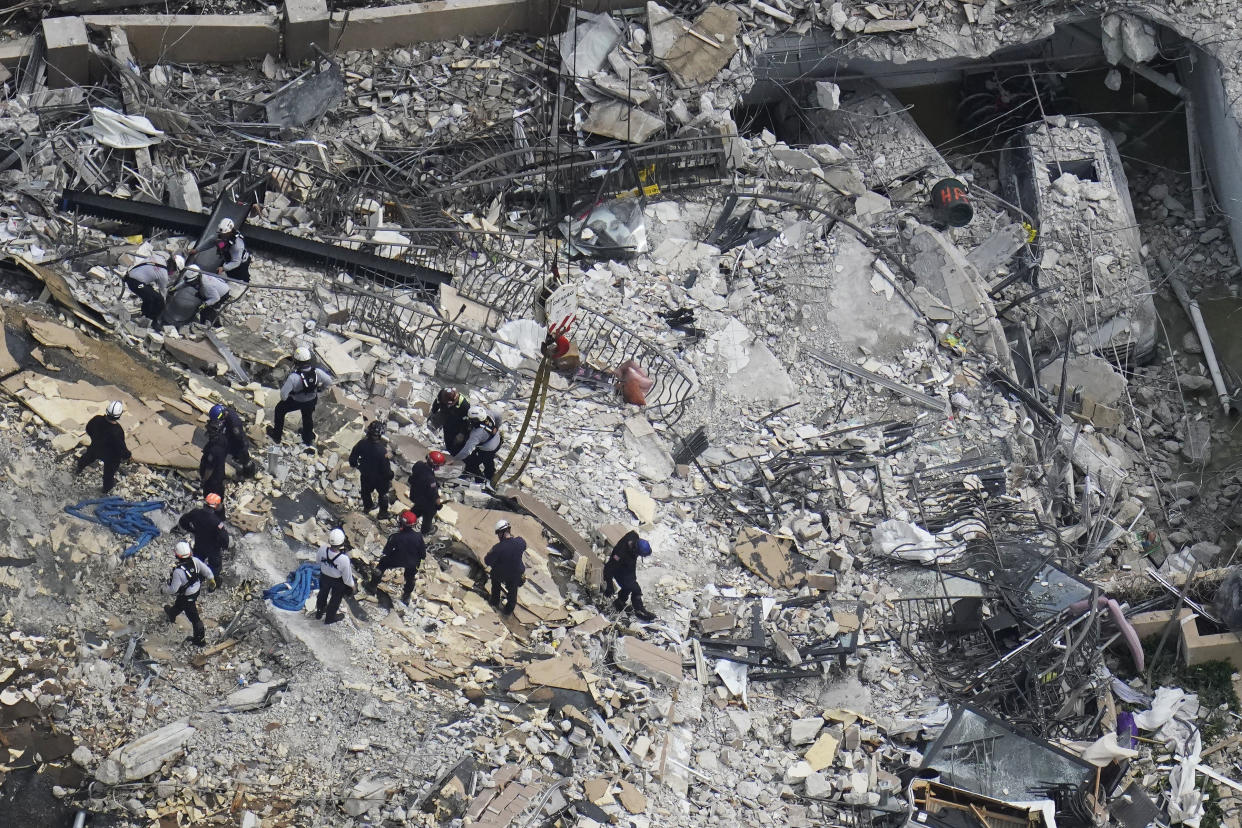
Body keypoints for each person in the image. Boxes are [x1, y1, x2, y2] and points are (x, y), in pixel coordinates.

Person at [268, 346, 332, 450]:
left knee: (279, 410)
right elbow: (329, 381)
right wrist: (320, 389)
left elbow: (283, 396)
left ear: (296, 361)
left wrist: (290, 396)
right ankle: (307, 438)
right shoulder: (317, 372)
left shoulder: (294, 377)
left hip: (296, 400)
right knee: (307, 416)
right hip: (311, 400)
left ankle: (277, 436)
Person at [162, 541, 215, 646]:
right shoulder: (195, 561)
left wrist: (164, 589)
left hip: (187, 596)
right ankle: (172, 613)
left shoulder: (178, 571)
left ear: (177, 555)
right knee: (180, 604)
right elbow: (207, 572)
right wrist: (211, 580)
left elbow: (173, 589)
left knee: (194, 617)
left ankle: (200, 640)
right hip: (196, 590)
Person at [369, 511, 426, 604]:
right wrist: (420, 566)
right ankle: (406, 596)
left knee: (382, 564)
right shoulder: (418, 537)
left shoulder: (395, 537)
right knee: (410, 577)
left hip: (397, 559)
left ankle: (372, 585)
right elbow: (423, 554)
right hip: (413, 562)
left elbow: (386, 552)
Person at [75, 401, 131, 494]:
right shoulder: (117, 431)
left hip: (96, 447)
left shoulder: (97, 419)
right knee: (109, 473)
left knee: (87, 457)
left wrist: (95, 439)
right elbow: (121, 448)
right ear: (119, 416)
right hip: (111, 456)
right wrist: (128, 456)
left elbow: (88, 428)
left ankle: (78, 468)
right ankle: (106, 489)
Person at [602, 531, 656, 621]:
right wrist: (609, 585)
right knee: (636, 589)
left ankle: (619, 602)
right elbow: (608, 568)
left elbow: (632, 534)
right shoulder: (620, 554)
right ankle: (639, 611)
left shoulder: (634, 536)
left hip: (629, 567)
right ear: (635, 550)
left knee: (629, 585)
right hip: (619, 570)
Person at [178, 493, 229, 579]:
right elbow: (223, 537)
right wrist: (224, 546)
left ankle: (196, 579)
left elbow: (183, 521)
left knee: (197, 563)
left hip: (199, 544)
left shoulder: (195, 513)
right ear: (215, 506)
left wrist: (192, 530)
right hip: (213, 548)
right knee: (215, 566)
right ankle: (212, 582)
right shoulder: (216, 522)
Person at [349, 420, 394, 516]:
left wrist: (355, 465)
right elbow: (386, 470)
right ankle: (383, 513)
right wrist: (391, 475)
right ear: (380, 435)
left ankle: (368, 507)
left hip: (365, 474)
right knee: (383, 494)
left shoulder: (362, 443)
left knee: (365, 492)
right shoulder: (382, 451)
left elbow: (353, 457)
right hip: (380, 478)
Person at [188, 217, 251, 283]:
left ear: (228, 233)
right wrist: (196, 250)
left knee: (239, 277)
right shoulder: (222, 236)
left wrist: (224, 268)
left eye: (222, 234)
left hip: (241, 263)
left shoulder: (237, 246)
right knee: (220, 245)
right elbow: (211, 242)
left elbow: (236, 262)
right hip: (228, 257)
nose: (220, 235)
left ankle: (247, 283)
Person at [484, 519, 526, 617]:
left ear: (501, 533)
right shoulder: (520, 541)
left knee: (494, 576)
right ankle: (508, 610)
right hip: (517, 574)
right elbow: (524, 546)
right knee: (513, 591)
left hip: (502, 574)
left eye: (498, 533)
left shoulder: (498, 548)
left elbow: (487, 561)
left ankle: (494, 601)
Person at [315, 528, 355, 625]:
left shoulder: (323, 549)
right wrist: (353, 586)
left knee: (322, 593)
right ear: (342, 543)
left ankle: (319, 612)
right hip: (337, 581)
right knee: (335, 599)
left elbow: (318, 562)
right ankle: (330, 618)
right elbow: (347, 578)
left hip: (324, 576)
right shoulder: (344, 559)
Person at [453, 406, 502, 484]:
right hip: (497, 439)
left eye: (471, 419)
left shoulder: (477, 433)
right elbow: (498, 415)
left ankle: (481, 479)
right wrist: (497, 427)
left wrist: (454, 460)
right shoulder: (488, 413)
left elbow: (467, 450)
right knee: (488, 462)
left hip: (487, 448)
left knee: (473, 463)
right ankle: (490, 476)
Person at [208, 404, 256, 477]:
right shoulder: (226, 412)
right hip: (231, 436)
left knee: (245, 460)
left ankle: (249, 473)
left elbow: (239, 437)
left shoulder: (234, 424)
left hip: (239, 443)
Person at [122, 252, 171, 323]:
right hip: (136, 284)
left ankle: (144, 315)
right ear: (172, 266)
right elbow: (163, 293)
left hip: (129, 277)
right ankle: (151, 320)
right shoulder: (163, 273)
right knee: (158, 299)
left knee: (150, 293)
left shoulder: (158, 258)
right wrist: (164, 306)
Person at [407, 450, 446, 534]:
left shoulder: (419, 464)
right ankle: (426, 530)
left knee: (417, 508)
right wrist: (438, 504)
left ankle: (408, 519)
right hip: (425, 500)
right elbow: (434, 494)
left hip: (414, 494)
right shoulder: (430, 479)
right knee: (430, 513)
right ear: (435, 465)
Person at [429, 388, 471, 454]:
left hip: (458, 422)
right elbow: (437, 402)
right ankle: (448, 448)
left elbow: (466, 422)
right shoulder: (442, 394)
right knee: (447, 435)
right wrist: (433, 412)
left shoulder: (464, 405)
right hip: (447, 417)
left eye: (449, 404)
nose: (448, 405)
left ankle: (455, 452)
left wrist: (462, 433)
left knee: (457, 441)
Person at [200, 429, 228, 503]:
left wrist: (204, 480)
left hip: (212, 481)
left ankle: (210, 510)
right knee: (218, 498)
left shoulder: (213, 451)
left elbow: (209, 469)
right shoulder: (223, 441)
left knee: (210, 498)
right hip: (220, 476)